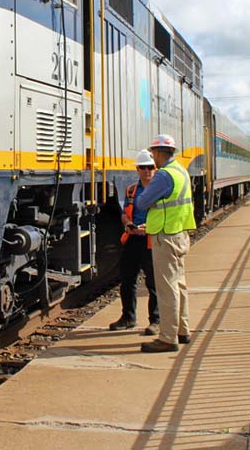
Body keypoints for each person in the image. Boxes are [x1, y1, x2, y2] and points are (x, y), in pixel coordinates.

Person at [135, 134, 195, 353]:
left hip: (165, 235)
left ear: (160, 153)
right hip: (179, 233)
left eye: (153, 153)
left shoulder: (163, 176)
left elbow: (142, 202)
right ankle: (182, 330)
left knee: (166, 287)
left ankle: (168, 338)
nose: (152, 158)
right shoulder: (181, 171)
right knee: (179, 284)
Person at [109, 150, 160, 335]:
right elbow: (124, 212)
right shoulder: (131, 190)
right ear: (137, 169)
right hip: (133, 239)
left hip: (151, 240)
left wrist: (150, 227)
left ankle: (156, 321)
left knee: (153, 283)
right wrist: (128, 223)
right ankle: (128, 318)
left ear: (155, 169)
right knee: (127, 280)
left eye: (150, 167)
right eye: (142, 167)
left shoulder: (161, 190)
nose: (146, 171)